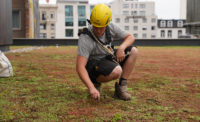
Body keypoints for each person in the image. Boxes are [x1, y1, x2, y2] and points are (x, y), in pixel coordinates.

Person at [76, 3, 138, 101]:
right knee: (117, 71)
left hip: (108, 57)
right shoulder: (85, 37)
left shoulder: (111, 27)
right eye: (95, 27)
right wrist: (91, 87)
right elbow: (80, 67)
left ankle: (121, 88)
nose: (99, 31)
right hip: (94, 66)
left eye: (102, 27)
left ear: (108, 23)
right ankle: (95, 83)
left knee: (133, 51)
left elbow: (130, 37)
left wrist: (121, 48)